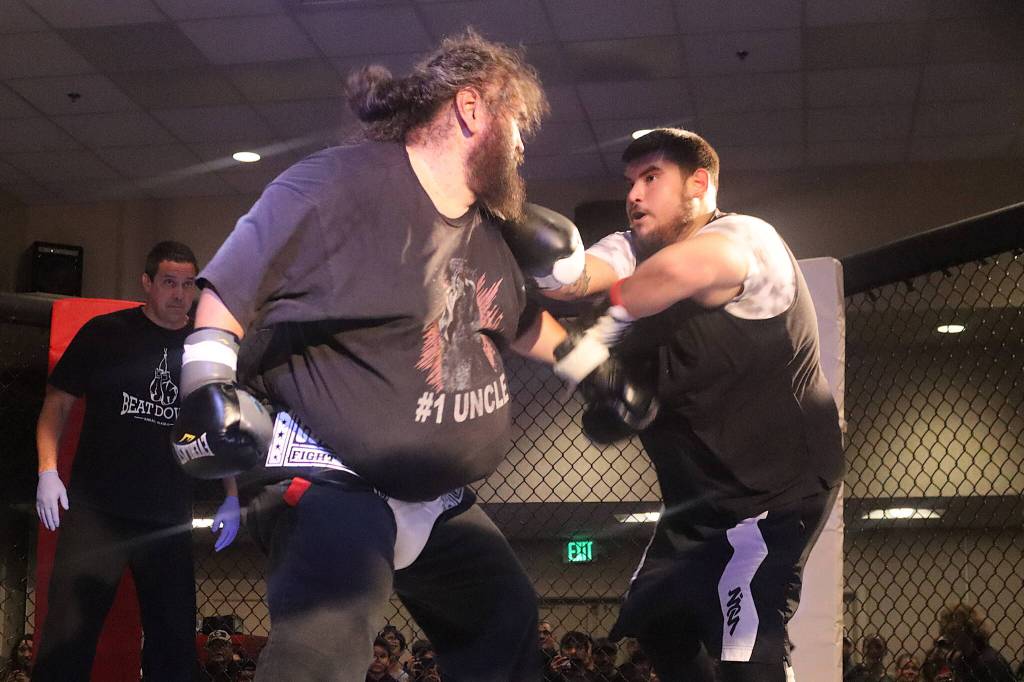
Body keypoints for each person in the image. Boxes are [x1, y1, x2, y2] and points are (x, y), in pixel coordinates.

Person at [170, 29, 580, 682]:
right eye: (518, 124)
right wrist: (207, 383)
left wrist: (595, 369)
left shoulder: (486, 226)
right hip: (329, 473)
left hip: (437, 497)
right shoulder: (334, 186)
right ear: (471, 108)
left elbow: (518, 319)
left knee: (504, 621)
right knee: (323, 652)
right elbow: (232, 282)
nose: (523, 145)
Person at [548, 128, 845, 682]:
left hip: (772, 493)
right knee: (658, 620)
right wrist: (531, 268)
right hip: (698, 500)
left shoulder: (747, 237)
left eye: (651, 178)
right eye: (630, 182)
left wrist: (600, 331)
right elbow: (572, 279)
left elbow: (683, 270)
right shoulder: (632, 246)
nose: (634, 194)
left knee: (745, 645)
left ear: (699, 184)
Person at [31, 241, 240, 682]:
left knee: (174, 643)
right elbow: (57, 403)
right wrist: (47, 470)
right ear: (147, 283)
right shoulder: (106, 333)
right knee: (66, 637)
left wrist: (232, 495)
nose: (180, 294)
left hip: (168, 515)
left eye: (188, 284)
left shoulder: (205, 349)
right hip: (97, 510)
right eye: (169, 282)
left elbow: (222, 425)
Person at [938, 603, 1015, 682]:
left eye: (953, 632)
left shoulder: (989, 661)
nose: (949, 637)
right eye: (947, 633)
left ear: (969, 630)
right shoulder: (962, 659)